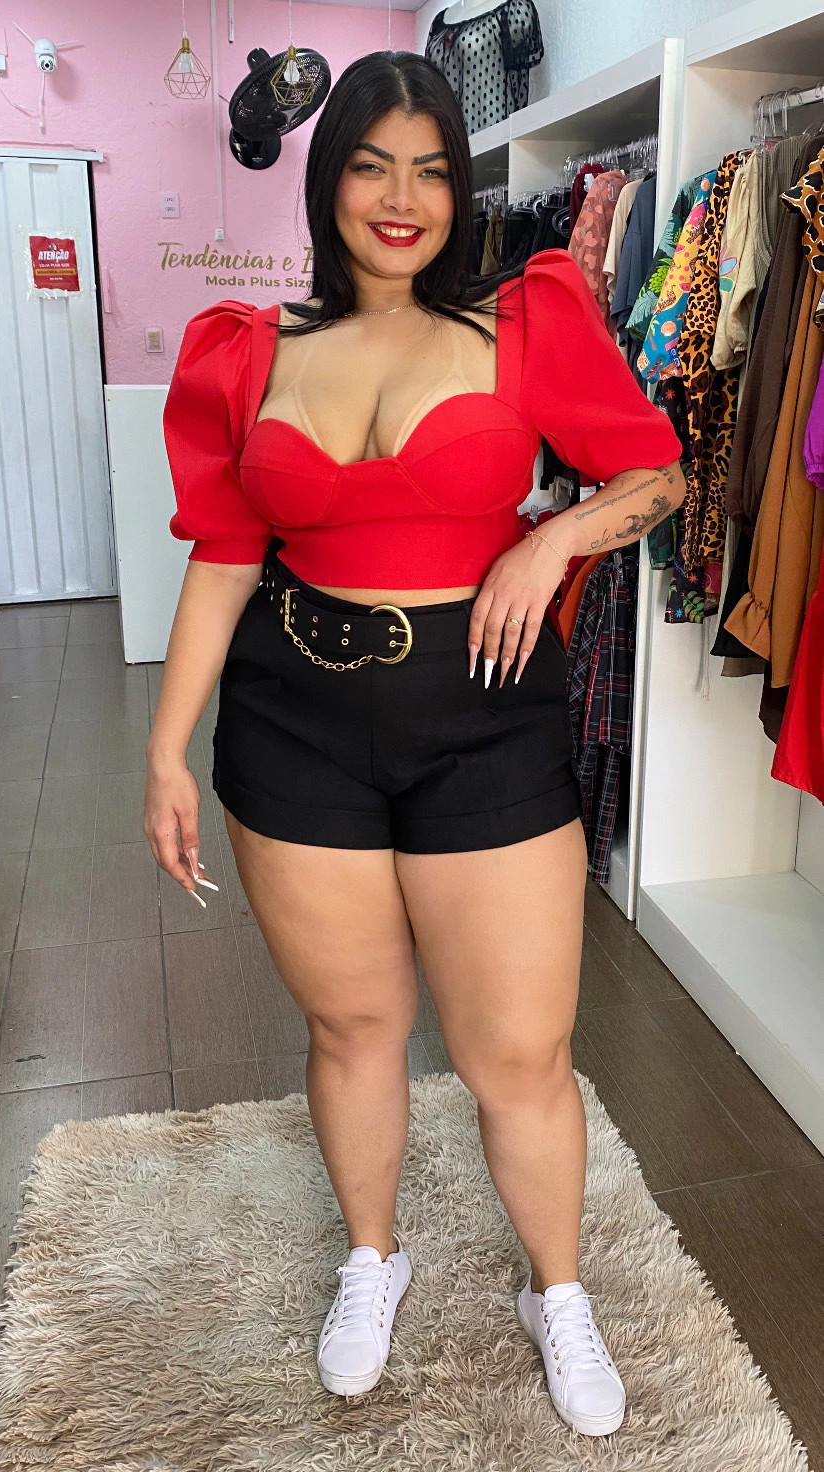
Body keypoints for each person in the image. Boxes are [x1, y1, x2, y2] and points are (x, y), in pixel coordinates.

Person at [144, 50, 685, 1438]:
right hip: (295, 714)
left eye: (433, 169)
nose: (403, 197)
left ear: (460, 189)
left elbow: (658, 473)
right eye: (373, 164)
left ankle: (555, 1291)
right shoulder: (250, 350)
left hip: (484, 712)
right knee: (354, 1025)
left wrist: (551, 538)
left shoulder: (527, 320)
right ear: (329, 180)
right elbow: (224, 552)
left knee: (520, 1050)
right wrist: (165, 749)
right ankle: (372, 1259)